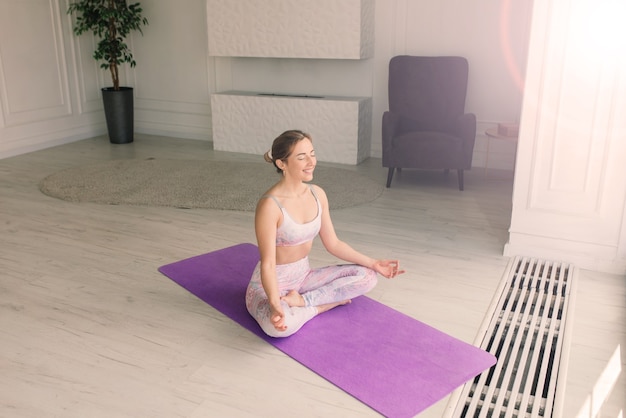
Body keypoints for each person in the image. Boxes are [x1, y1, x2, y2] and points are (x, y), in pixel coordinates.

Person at [245, 129, 405, 338]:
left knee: (367, 276)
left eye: (312, 154)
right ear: (281, 164)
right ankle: (324, 304)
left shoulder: (317, 194)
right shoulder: (270, 205)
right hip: (272, 284)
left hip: (304, 277)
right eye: (302, 157)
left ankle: (304, 301)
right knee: (278, 328)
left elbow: (334, 243)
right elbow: (268, 264)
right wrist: (275, 305)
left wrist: (373, 262)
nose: (311, 161)